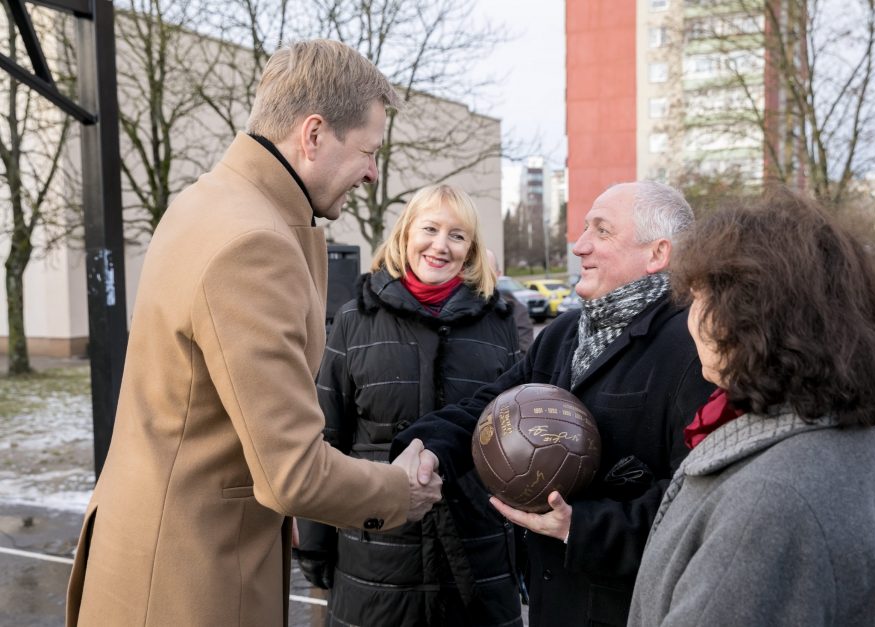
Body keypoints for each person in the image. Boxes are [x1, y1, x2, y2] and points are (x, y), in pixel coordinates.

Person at [65, 40, 442, 627]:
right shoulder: (255, 243)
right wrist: (399, 491)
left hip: (151, 555)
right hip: (189, 585)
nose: (372, 173)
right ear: (312, 134)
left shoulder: (206, 203)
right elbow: (293, 474)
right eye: (368, 152)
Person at [393, 181, 716, 626]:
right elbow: (489, 407)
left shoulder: (694, 348)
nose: (580, 246)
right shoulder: (566, 333)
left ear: (658, 254)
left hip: (631, 609)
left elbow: (700, 502)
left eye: (601, 232)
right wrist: (426, 445)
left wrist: (579, 526)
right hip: (553, 603)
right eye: (584, 229)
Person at [628, 191, 875, 626]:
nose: (691, 317)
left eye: (701, 297)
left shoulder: (767, 502)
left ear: (751, 316)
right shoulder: (830, 420)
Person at [294, 184, 523, 626]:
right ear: (405, 234)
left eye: (457, 236)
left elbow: (514, 437)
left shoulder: (497, 323)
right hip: (374, 562)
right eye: (430, 229)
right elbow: (326, 438)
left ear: (471, 249)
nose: (440, 245)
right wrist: (316, 544)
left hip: (479, 558)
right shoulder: (354, 319)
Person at [487, 248, 535, 353]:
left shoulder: (516, 311)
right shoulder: (450, 308)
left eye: (486, 270)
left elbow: (523, 357)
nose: (479, 276)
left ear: (498, 274)